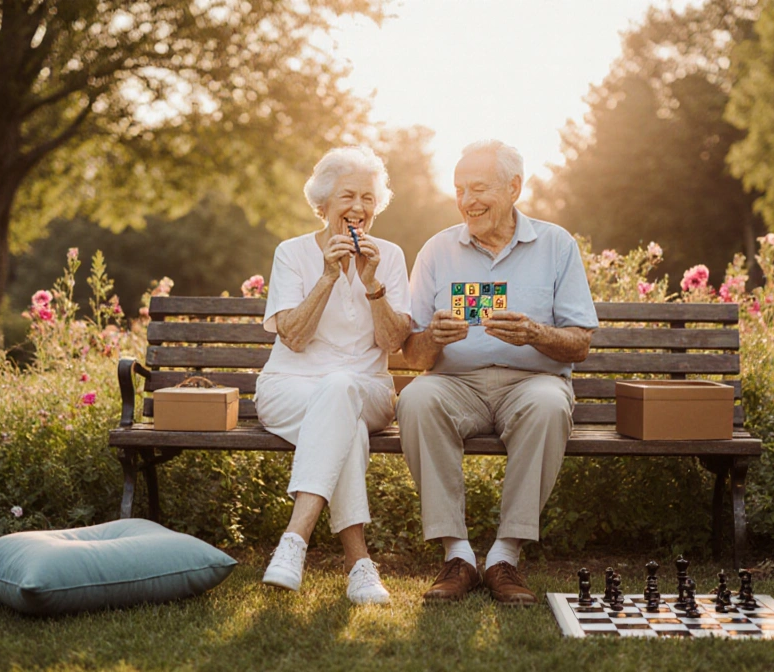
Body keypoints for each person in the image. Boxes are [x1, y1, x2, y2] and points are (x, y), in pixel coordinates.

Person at [397, 139, 599, 605]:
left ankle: (505, 557)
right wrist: (434, 338)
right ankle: (459, 556)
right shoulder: (437, 249)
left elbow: (581, 343)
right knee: (415, 398)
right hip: (455, 384)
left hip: (533, 383)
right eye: (460, 189)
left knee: (550, 404)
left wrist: (534, 333)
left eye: (479, 187)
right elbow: (413, 355)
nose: (468, 200)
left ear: (513, 187)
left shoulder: (555, 244)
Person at [254, 146, 412, 605]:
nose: (359, 208)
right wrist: (327, 275)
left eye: (368, 198)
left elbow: (391, 342)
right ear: (322, 203)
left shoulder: (391, 257)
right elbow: (295, 338)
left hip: (369, 391)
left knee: (342, 388)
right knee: (346, 426)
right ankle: (360, 565)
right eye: (348, 196)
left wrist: (372, 283)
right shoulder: (292, 253)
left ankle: (293, 541)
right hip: (290, 389)